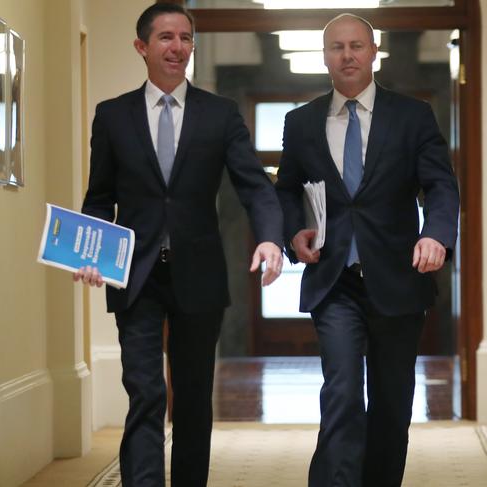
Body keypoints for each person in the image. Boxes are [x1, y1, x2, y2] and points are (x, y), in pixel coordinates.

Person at [74, 3, 284, 486]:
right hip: (135, 274)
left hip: (199, 274)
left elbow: (254, 185)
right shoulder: (113, 116)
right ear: (141, 46)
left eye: (186, 38)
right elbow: (100, 196)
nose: (178, 47)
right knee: (146, 392)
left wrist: (270, 239)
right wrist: (90, 252)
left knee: (191, 398)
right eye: (166, 37)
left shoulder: (220, 114)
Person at [275, 13, 460, 487]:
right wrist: (294, 233)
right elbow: (286, 191)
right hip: (334, 281)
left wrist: (435, 235)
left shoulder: (412, 116)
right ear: (325, 56)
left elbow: (440, 185)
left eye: (357, 46)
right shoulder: (301, 123)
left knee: (391, 402)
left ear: (373, 52)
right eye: (337, 47)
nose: (347, 55)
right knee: (340, 393)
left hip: (398, 279)